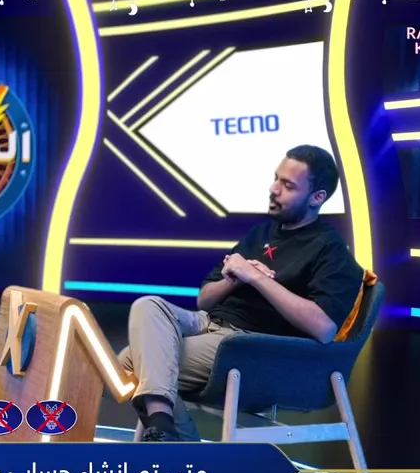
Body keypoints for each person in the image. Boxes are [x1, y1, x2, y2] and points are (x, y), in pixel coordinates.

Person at [118, 145, 365, 442]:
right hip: (208, 323)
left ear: (317, 198)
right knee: (148, 306)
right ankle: (171, 435)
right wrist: (233, 280)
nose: (274, 189)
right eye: (276, 178)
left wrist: (256, 278)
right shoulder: (259, 234)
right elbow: (204, 300)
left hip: (248, 346)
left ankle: (172, 436)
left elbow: (323, 328)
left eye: (288, 185)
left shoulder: (330, 249)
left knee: (132, 364)